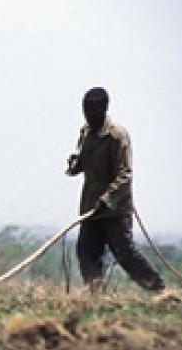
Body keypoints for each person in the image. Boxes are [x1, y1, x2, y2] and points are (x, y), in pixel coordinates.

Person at [65, 87, 165, 292]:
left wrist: (107, 199)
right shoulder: (85, 132)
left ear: (104, 109)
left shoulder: (117, 136)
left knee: (125, 254)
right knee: (86, 253)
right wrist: (74, 164)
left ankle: (160, 291)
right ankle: (95, 295)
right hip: (91, 208)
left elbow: (124, 174)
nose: (88, 115)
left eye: (93, 110)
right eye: (85, 110)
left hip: (115, 210)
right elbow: (79, 166)